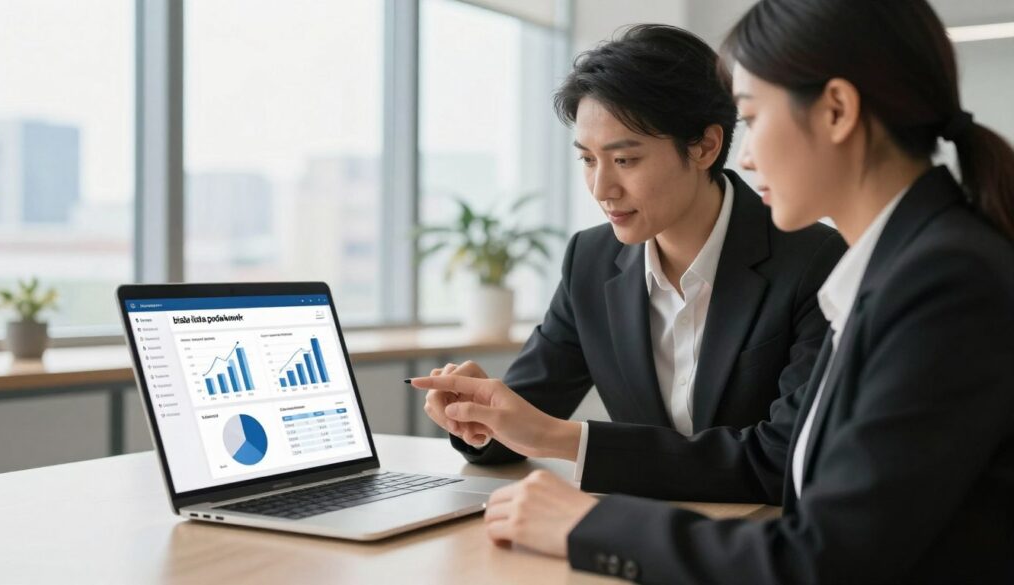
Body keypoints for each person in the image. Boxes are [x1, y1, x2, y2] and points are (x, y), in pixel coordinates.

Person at [410, 0, 1014, 582]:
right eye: (587, 160)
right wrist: (484, 419)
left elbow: (824, 551)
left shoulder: (939, 283)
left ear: (835, 111)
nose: (745, 157)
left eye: (751, 118)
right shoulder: (905, 266)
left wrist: (591, 524)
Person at [422, 24, 845, 505]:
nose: (602, 189)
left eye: (624, 160)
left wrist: (565, 439)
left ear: (705, 146)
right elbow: (521, 420)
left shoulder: (815, 261)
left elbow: (783, 458)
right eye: (587, 160)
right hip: (640, 538)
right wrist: (477, 413)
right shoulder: (591, 261)